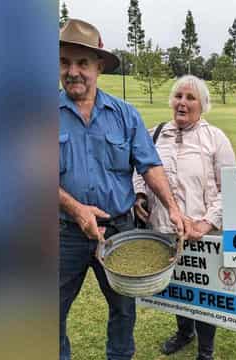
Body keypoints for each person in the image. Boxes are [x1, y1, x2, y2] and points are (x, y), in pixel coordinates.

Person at [58, 19, 191, 360]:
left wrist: (173, 208)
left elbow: (149, 165)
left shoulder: (125, 115)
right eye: (64, 62)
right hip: (63, 232)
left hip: (120, 229)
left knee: (123, 311)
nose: (73, 71)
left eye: (82, 63)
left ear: (99, 67)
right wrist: (77, 209)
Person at [133, 75, 236, 360]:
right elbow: (140, 172)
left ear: (203, 104)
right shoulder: (154, 134)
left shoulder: (215, 138)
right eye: (178, 96)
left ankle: (206, 350)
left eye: (190, 98)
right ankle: (184, 332)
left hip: (203, 234)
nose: (182, 102)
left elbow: (230, 188)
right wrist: (139, 195)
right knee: (177, 285)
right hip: (164, 230)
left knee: (204, 290)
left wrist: (208, 222)